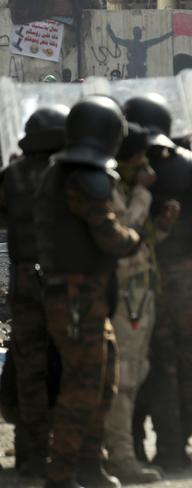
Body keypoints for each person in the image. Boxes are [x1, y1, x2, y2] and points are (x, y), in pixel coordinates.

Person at [34, 96, 142, 488]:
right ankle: (62, 473)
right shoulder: (83, 177)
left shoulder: (61, 173)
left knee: (101, 381)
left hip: (84, 295)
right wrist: (136, 235)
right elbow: (111, 237)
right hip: (78, 296)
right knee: (82, 386)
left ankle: (88, 466)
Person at [123, 94, 192, 471]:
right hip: (188, 287)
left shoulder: (123, 169)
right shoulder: (189, 166)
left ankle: (168, 451)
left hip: (144, 291)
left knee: (157, 373)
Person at [103, 123, 177, 484]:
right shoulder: (114, 189)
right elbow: (124, 233)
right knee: (125, 377)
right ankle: (119, 457)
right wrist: (144, 197)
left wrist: (161, 227)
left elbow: (140, 240)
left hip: (139, 290)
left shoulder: (124, 187)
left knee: (135, 372)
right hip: (125, 294)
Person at [0, 105, 68, 479]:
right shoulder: (71, 176)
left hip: (25, 280)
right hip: (65, 281)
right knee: (72, 363)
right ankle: (70, 448)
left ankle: (30, 455)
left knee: (29, 368)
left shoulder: (12, 176)